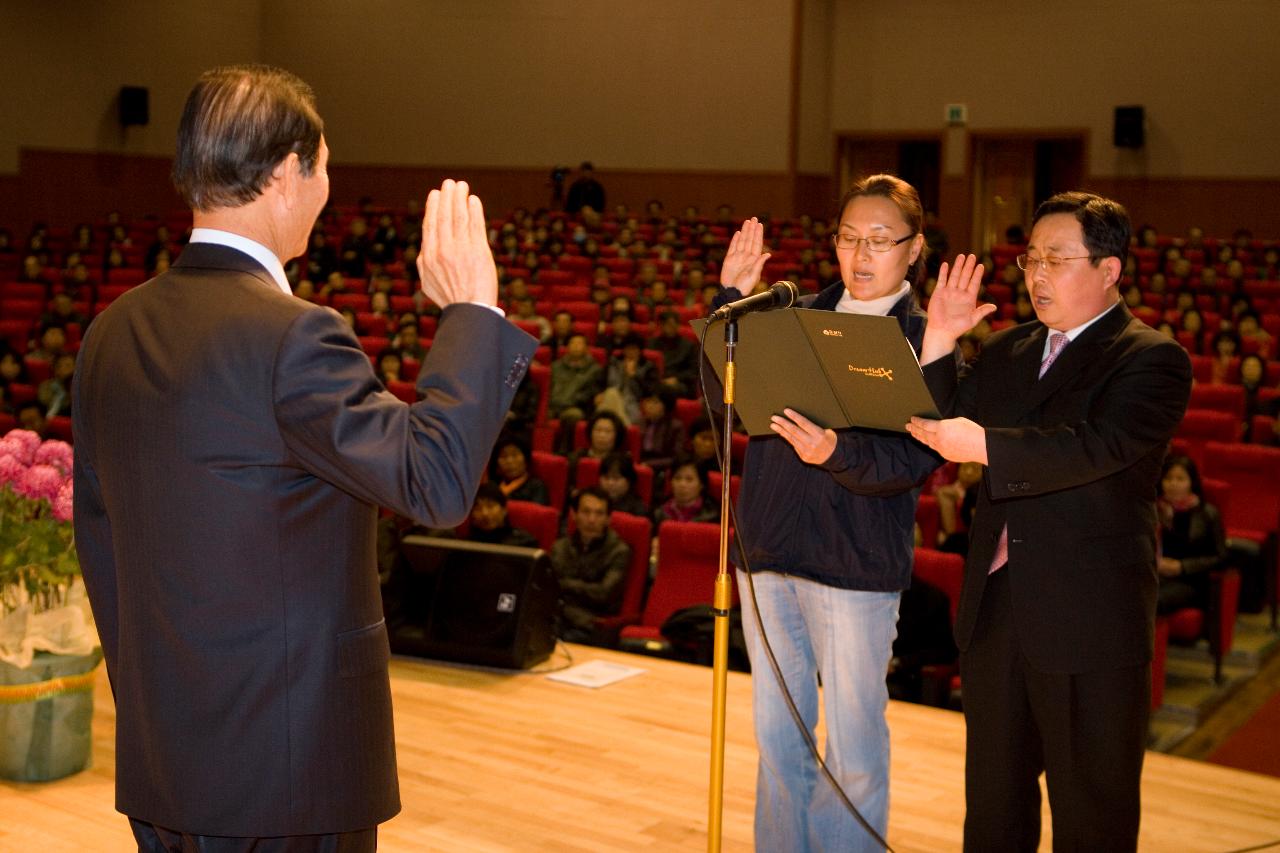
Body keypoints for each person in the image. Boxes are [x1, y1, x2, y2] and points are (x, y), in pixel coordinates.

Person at [72, 65, 538, 851]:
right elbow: (438, 480)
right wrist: (471, 311)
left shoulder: (108, 334)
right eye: (325, 166)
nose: (328, 188)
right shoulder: (293, 336)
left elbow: (100, 545)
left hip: (166, 757)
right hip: (287, 779)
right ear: (288, 172)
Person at [906, 191, 1192, 851]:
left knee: (1091, 811)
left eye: (1056, 259)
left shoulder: (1149, 357)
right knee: (994, 808)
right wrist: (942, 337)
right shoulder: (1009, 349)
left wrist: (985, 446)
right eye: (1031, 258)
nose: (1036, 274)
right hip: (999, 604)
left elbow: (1096, 446)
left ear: (1110, 269)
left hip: (1088, 615)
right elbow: (939, 420)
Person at [710, 175, 944, 852]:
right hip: (770, 553)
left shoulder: (926, 338)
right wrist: (730, 303)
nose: (861, 254)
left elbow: (913, 461)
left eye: (879, 239)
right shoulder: (792, 317)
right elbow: (723, 404)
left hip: (856, 567)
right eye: (848, 238)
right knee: (779, 742)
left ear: (914, 249)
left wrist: (838, 451)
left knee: (855, 753)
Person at [549, 486, 631, 645]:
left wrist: (566, 584)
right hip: (559, 617)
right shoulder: (560, 547)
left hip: (593, 623)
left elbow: (603, 593)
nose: (592, 520)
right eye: (586, 512)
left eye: (599, 513)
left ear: (608, 519)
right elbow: (550, 587)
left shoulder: (619, 551)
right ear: (574, 515)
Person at [1155, 455, 1227, 614]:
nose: (1173, 484)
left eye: (1180, 479)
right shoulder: (1154, 510)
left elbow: (1220, 558)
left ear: (1191, 483)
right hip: (1156, 575)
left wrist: (1182, 567)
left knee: (1153, 600)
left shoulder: (1207, 513)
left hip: (1190, 581)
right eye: (1168, 478)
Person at [466, 482, 540, 548]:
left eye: (490, 506)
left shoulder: (524, 543)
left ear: (504, 510)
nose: (485, 513)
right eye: (478, 508)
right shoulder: (466, 546)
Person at [652, 456, 718, 525]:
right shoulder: (658, 513)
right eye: (677, 478)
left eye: (689, 479)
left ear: (702, 484)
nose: (682, 484)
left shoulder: (711, 516)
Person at [489, 433, 550, 505]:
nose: (509, 461)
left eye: (515, 455)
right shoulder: (492, 484)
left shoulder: (536, 486)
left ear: (526, 459)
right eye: (504, 456)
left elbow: (538, 514)